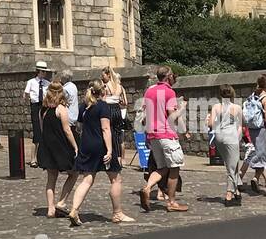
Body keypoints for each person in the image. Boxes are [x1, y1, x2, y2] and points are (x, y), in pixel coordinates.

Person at [68, 78, 134, 226]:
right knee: (116, 179)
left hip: (86, 144)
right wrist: (110, 150)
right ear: (102, 91)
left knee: (87, 179)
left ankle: (74, 209)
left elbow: (79, 127)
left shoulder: (84, 106)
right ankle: (117, 213)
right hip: (101, 145)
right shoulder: (103, 106)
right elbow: (105, 129)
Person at [139, 66, 188, 213]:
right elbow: (171, 114)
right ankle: (172, 202)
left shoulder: (149, 91)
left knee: (162, 168)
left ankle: (147, 188)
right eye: (173, 76)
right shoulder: (169, 92)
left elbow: (146, 114)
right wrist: (182, 111)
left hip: (153, 135)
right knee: (174, 168)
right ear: (168, 76)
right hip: (166, 134)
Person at [35, 79, 77, 218]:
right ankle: (61, 202)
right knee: (73, 173)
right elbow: (67, 130)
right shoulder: (61, 109)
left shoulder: (43, 110)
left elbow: (42, 129)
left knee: (51, 178)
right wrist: (75, 146)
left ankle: (50, 209)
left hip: (47, 146)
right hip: (60, 147)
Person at [239, 74, 266, 197]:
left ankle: (258, 179)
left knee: (263, 155)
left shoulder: (253, 96)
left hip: (253, 130)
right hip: (263, 130)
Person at [208, 85, 243, 206]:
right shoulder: (237, 107)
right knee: (231, 167)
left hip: (219, 137)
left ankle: (237, 191)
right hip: (231, 137)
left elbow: (211, 124)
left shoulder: (216, 107)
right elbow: (241, 124)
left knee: (231, 163)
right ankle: (229, 194)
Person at [23, 62, 52, 166]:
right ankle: (33, 158)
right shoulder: (31, 82)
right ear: (38, 71)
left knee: (45, 130)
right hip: (35, 106)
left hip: (44, 106)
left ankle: (43, 157)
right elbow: (25, 94)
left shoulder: (47, 83)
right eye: (43, 71)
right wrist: (28, 100)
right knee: (37, 131)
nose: (44, 73)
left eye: (45, 71)